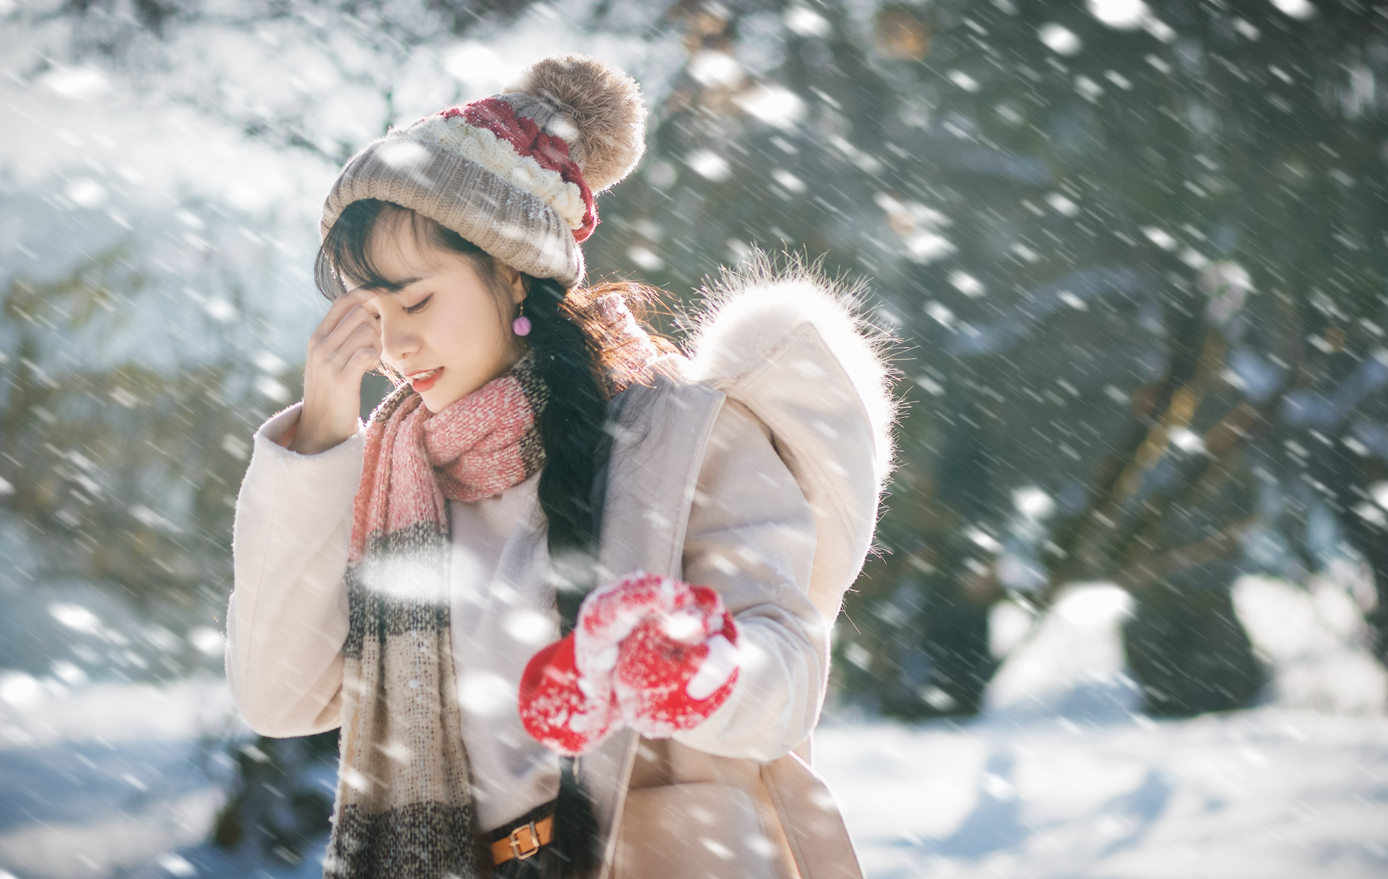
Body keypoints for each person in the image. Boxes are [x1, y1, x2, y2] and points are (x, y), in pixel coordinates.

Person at [223, 53, 896, 879]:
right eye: (370, 312)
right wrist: (324, 433)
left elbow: (790, 667)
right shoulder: (398, 480)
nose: (393, 347)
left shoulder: (684, 435)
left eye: (418, 300)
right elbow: (279, 694)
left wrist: (698, 670)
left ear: (513, 273)